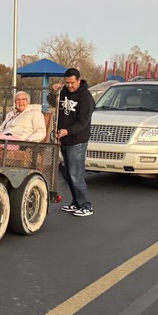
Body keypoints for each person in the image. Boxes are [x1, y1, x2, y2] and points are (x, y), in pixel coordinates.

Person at [49, 68, 96, 217]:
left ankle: (86, 205)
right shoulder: (63, 92)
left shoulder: (86, 97)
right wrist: (54, 92)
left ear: (79, 80)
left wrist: (67, 131)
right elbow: (51, 102)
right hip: (64, 139)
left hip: (77, 140)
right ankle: (76, 203)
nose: (70, 86)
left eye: (72, 83)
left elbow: (83, 122)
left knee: (76, 174)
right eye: (67, 82)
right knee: (67, 174)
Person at [0, 91, 46, 167]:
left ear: (28, 101)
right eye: (18, 100)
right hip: (4, 140)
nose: (20, 102)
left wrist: (28, 141)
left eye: (23, 99)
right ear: (15, 102)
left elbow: (41, 132)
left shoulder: (35, 113)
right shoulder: (10, 114)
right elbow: (0, 129)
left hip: (19, 141)